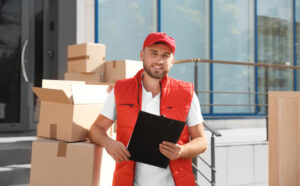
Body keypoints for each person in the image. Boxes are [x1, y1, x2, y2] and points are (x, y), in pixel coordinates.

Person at [89, 32, 207, 186]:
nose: (159, 60)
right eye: (154, 53)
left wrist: (182, 151)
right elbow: (95, 129)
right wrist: (109, 143)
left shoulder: (186, 93)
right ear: (142, 55)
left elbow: (202, 141)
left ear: (172, 61)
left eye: (166, 55)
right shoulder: (120, 89)